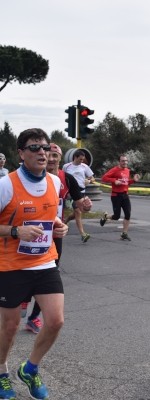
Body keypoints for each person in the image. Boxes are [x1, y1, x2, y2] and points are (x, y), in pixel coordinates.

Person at [0, 128, 69, 400]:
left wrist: (58, 226)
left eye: (45, 147)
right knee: (10, 326)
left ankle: (30, 369)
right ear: (21, 154)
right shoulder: (6, 185)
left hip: (43, 261)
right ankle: (2, 373)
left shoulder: (53, 182)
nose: (42, 152)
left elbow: (48, 217)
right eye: (34, 148)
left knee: (55, 321)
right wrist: (16, 232)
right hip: (10, 264)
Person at [21, 143, 92, 335]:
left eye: (55, 156)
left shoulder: (66, 178)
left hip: (54, 232)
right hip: (28, 231)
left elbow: (81, 205)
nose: (51, 159)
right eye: (49, 155)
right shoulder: (29, 175)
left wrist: (86, 205)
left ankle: (34, 316)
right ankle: (22, 299)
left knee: (50, 273)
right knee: (26, 270)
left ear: (61, 159)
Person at [99, 154, 140, 241]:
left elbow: (126, 183)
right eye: (123, 161)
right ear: (119, 162)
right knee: (116, 216)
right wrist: (114, 181)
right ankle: (106, 217)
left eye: (126, 161)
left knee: (128, 214)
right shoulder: (115, 170)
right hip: (116, 196)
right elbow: (104, 178)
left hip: (125, 195)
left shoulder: (127, 171)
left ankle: (124, 233)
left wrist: (133, 180)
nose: (125, 162)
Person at [62, 149, 94, 242]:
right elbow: (62, 177)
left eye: (83, 159)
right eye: (80, 159)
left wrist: (89, 180)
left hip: (81, 191)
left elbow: (92, 178)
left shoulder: (84, 167)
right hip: (70, 192)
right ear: (75, 157)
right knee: (78, 212)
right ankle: (83, 234)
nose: (82, 161)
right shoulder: (66, 166)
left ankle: (67, 219)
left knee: (80, 211)